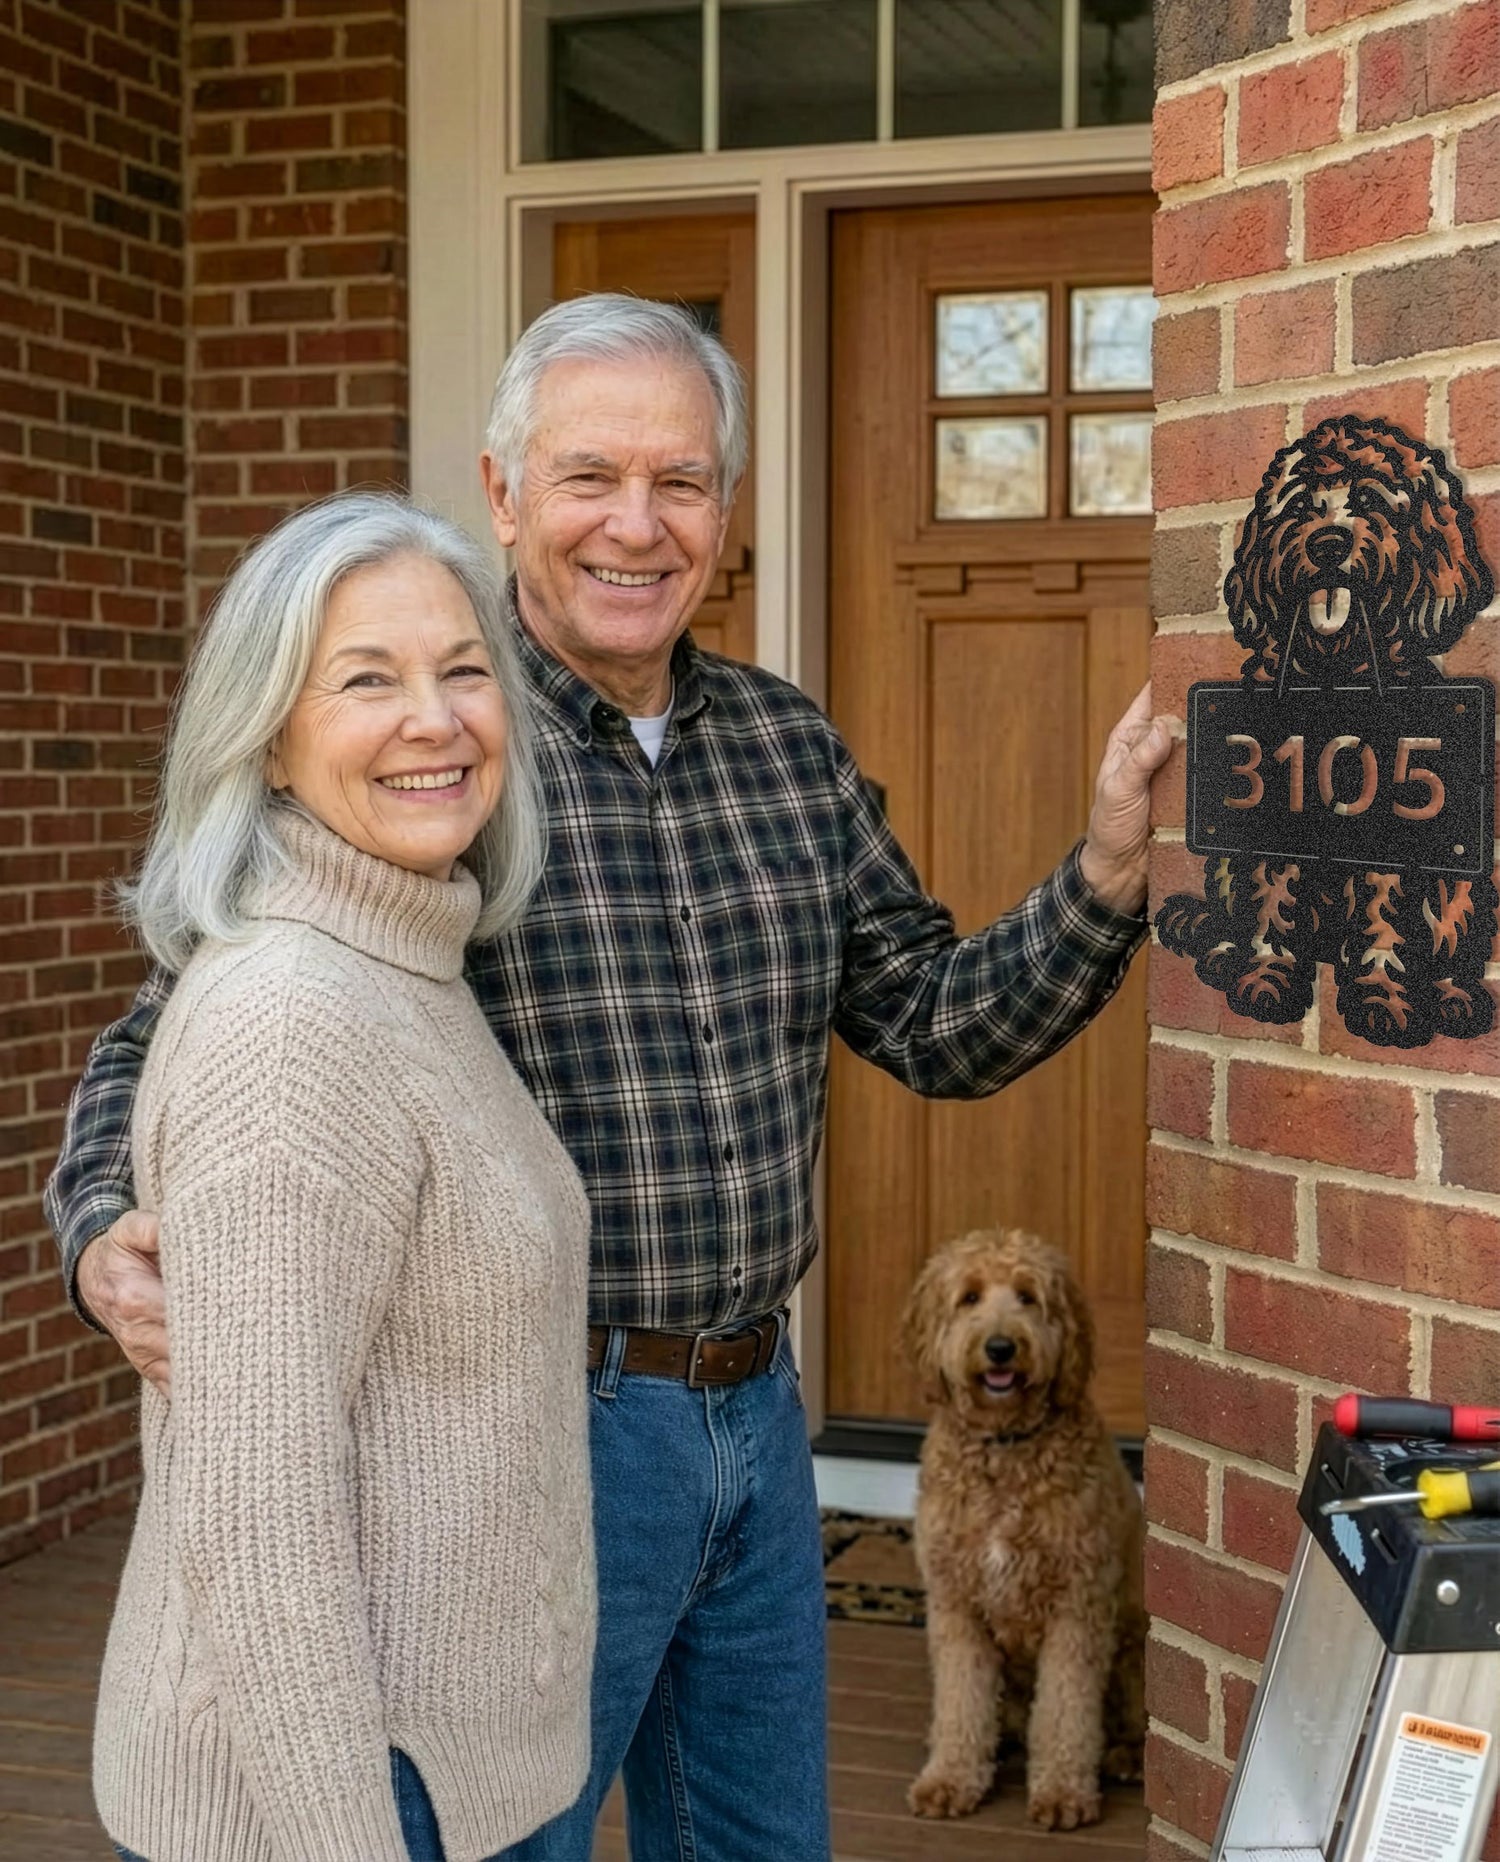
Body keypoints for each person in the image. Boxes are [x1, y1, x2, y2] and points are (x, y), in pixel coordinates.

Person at [49, 295, 1172, 1862]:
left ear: (726, 511)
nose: (637, 526)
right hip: (520, 1427)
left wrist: (1111, 869)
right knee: (519, 1836)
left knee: (758, 1842)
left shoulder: (787, 748)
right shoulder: (442, 745)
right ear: (505, 492)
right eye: (590, 478)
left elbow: (933, 1017)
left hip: (754, 1421)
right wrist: (105, 1218)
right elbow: (185, 1014)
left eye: (683, 482)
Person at [89, 494, 595, 1862]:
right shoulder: (293, 1020)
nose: (435, 719)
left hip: (458, 1768)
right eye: (367, 679)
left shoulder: (404, 959)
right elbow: (259, 1522)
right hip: (345, 1799)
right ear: (265, 739)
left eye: (463, 669)